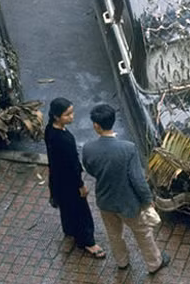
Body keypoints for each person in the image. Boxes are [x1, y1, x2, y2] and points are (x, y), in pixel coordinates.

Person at [81, 103, 170, 274]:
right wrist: (147, 200)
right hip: (129, 203)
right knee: (143, 233)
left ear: (96, 126)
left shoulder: (88, 148)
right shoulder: (128, 148)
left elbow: (90, 169)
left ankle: (122, 262)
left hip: (105, 200)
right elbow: (137, 179)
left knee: (114, 234)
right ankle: (154, 263)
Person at [43, 97, 105, 258]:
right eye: (67, 114)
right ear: (57, 117)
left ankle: (69, 229)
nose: (72, 117)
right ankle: (88, 242)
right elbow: (72, 164)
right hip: (70, 181)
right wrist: (81, 185)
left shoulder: (49, 130)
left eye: (71, 113)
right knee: (81, 211)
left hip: (57, 178)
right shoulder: (64, 139)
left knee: (66, 207)